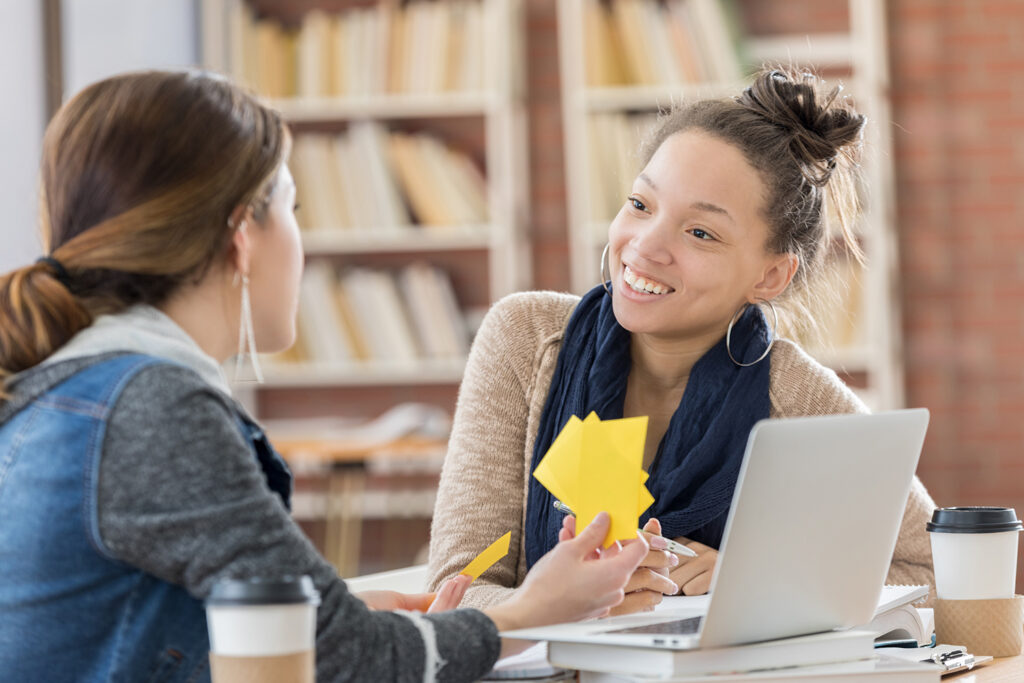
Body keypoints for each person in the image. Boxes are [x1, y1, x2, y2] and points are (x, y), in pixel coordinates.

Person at [0, 70, 651, 683]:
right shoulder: (154, 407)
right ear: (241, 236)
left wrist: (347, 606)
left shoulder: (74, 387)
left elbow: (158, 617)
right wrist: (531, 611)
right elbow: (338, 658)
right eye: (292, 205)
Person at [427, 69, 937, 615]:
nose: (645, 246)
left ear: (770, 276)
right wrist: (553, 603)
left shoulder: (799, 396)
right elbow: (452, 591)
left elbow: (938, 568)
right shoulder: (526, 340)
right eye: (641, 205)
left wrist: (764, 579)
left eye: (701, 233)